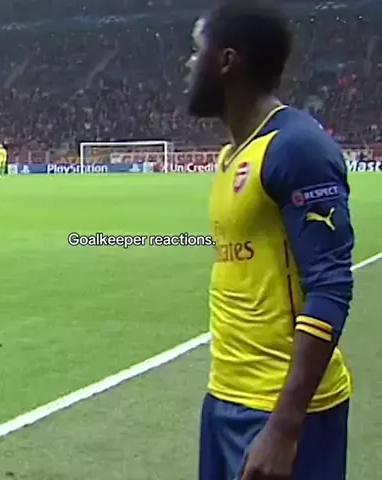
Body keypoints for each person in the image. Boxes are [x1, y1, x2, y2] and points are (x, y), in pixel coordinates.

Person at [186, 1, 354, 479]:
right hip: (225, 397)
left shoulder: (296, 148)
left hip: (284, 416)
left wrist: (283, 428)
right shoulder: (230, 156)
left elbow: (330, 287)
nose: (188, 63)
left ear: (227, 60)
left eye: (196, 50)